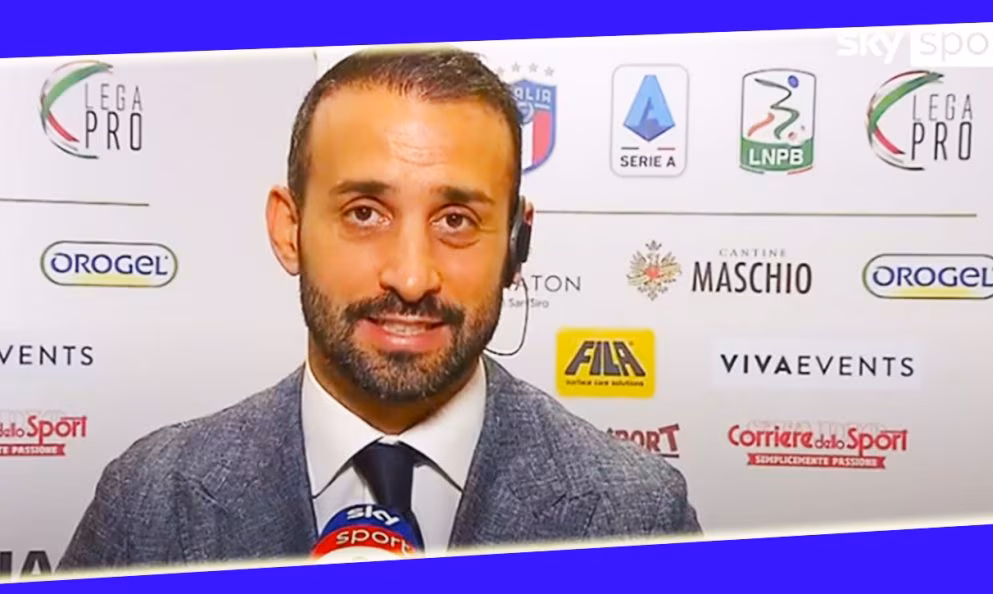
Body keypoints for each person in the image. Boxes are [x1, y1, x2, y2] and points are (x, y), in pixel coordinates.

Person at [58, 46, 702, 572]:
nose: (412, 277)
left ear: (516, 243)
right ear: (289, 229)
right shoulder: (150, 501)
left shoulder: (637, 516)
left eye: (456, 219)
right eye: (365, 213)